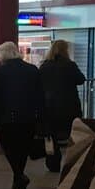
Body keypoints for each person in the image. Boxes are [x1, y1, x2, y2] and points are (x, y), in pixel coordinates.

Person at [0, 41, 43, 189]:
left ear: (3, 55)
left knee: (9, 148)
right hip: (28, 117)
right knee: (23, 148)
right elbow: (40, 95)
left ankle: (18, 175)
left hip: (6, 118)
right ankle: (18, 177)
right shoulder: (32, 70)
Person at [39, 39, 86, 172]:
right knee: (73, 134)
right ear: (65, 50)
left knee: (52, 136)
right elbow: (81, 79)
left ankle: (53, 163)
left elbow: (39, 84)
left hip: (49, 107)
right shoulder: (69, 65)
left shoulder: (44, 66)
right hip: (69, 106)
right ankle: (73, 162)